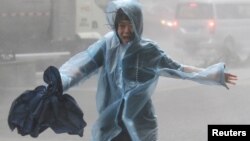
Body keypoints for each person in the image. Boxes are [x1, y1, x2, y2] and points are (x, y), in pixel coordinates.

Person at [59, 0, 237, 141]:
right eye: (121, 26)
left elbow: (179, 69)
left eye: (130, 25)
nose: (126, 31)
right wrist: (61, 81)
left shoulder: (148, 50)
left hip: (139, 123)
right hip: (111, 124)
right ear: (116, 26)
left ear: (138, 24)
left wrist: (213, 74)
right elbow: (83, 67)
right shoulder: (108, 47)